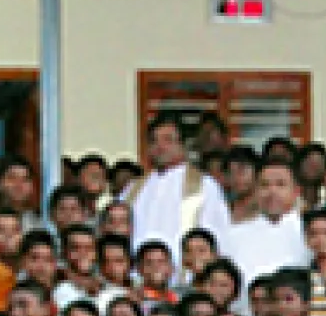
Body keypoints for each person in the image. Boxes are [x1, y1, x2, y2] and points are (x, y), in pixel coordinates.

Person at [128, 112, 230, 267]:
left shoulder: (204, 186)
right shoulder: (134, 189)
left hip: (186, 278)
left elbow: (218, 236)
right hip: (141, 278)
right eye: (154, 141)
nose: (160, 147)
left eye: (167, 140)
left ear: (182, 145)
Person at [219, 158, 309, 300]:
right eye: (265, 185)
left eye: (281, 185)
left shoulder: (310, 234)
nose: (272, 191)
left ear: (296, 191)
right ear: (256, 191)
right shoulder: (234, 235)